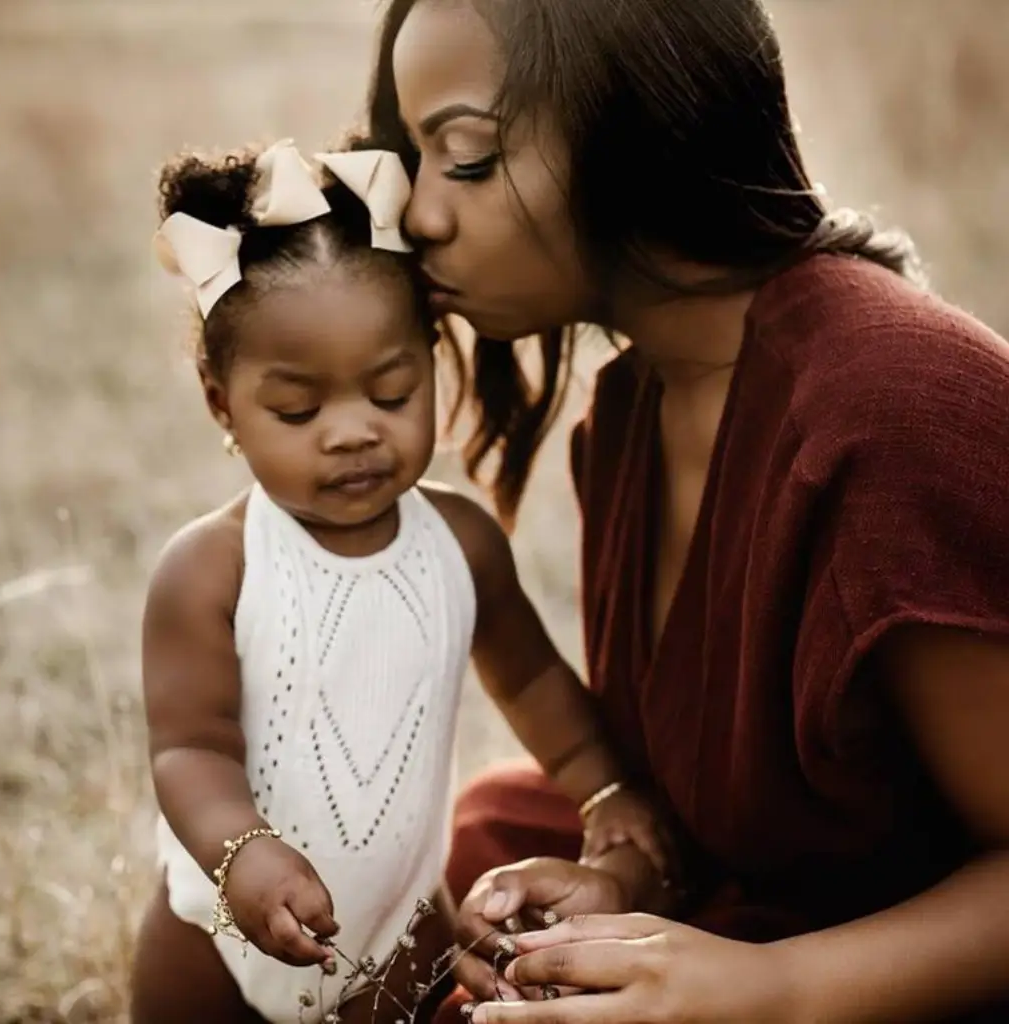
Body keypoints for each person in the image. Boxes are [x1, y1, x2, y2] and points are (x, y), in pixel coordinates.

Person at [363, 0, 1009, 1021]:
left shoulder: (890, 417)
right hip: (780, 920)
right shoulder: (624, 418)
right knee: (436, 855)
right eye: (412, 160)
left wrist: (772, 988)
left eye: (467, 157)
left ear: (636, 121)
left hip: (902, 972)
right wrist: (627, 880)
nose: (419, 215)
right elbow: (717, 804)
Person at [130, 138, 668, 1024]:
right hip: (214, 943)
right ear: (221, 403)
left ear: (431, 361)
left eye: (390, 392)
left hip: (404, 929)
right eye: (298, 410)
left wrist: (606, 793)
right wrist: (245, 852)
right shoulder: (212, 568)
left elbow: (534, 685)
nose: (352, 433)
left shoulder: (460, 543)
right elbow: (191, 748)